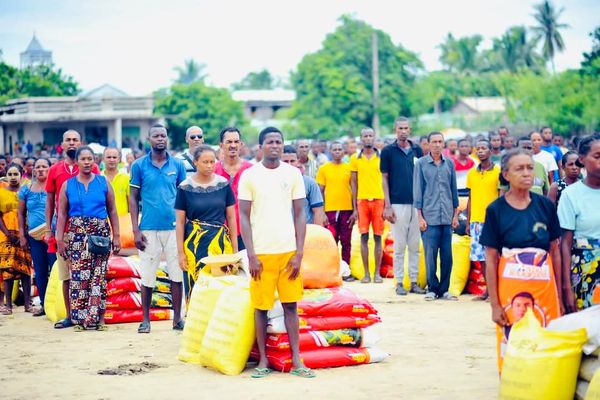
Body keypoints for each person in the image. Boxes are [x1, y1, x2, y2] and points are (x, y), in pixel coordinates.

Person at [238, 126, 315, 379]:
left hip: (288, 252)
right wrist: (251, 254)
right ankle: (262, 361)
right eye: (270, 141)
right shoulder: (250, 176)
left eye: (278, 141)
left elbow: (301, 213)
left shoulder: (292, 174)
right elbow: (244, 217)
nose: (275, 145)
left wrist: (299, 252)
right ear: (261, 146)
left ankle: (296, 360)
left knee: (291, 306)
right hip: (261, 254)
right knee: (261, 308)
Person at [480, 149, 563, 371]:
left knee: (545, 342)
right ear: (506, 174)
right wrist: (495, 305)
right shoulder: (496, 210)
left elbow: (555, 250)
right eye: (519, 169)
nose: (527, 173)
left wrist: (561, 295)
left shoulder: (545, 206)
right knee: (512, 342)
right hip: (510, 291)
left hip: (544, 290)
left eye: (530, 167)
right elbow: (491, 258)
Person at [55, 146, 120, 331]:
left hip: (100, 235)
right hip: (76, 236)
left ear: (95, 161)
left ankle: (98, 319)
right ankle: (80, 321)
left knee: (98, 276)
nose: (86, 162)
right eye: (83, 159)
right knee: (78, 277)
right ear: (76, 162)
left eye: (90, 159)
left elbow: (113, 211)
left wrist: (117, 236)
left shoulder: (103, 182)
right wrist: (60, 239)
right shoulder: (68, 185)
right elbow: (61, 215)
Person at [130, 124, 186, 333]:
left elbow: (183, 197)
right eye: (156, 136)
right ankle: (145, 320)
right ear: (149, 139)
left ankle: (177, 319)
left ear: (167, 138)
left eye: (163, 135)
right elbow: (133, 199)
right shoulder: (138, 165)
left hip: (174, 228)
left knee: (176, 273)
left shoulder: (178, 165)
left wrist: (185, 225)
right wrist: (135, 230)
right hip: (148, 228)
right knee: (147, 274)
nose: (160, 139)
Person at [45, 130, 100, 329]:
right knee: (67, 275)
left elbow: (101, 198)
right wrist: (50, 232)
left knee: (91, 273)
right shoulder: (54, 170)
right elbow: (50, 203)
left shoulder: (92, 168)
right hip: (63, 231)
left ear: (80, 142)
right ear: (62, 144)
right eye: (68, 140)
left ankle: (91, 316)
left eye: (75, 140)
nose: (71, 143)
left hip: (89, 232)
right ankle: (70, 316)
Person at [175, 145, 238, 298]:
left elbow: (231, 218)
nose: (210, 165)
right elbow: (180, 222)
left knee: (221, 288)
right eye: (205, 162)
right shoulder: (185, 187)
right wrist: (181, 253)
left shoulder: (223, 184)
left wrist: (235, 252)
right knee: (197, 288)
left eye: (212, 161)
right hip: (194, 246)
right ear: (195, 162)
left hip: (220, 244)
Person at [380, 117, 425, 295]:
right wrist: (387, 205)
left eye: (406, 128)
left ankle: (413, 282)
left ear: (410, 130)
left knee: (415, 245)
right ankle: (399, 282)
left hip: (417, 204)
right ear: (395, 129)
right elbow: (384, 178)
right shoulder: (388, 151)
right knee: (399, 246)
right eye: (400, 128)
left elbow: (423, 176)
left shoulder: (417, 150)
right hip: (397, 204)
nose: (403, 131)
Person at [414, 132, 459, 301]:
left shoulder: (449, 164)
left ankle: (444, 289)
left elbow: (453, 191)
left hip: (447, 216)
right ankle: (432, 288)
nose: (437, 145)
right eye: (434, 142)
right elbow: (417, 192)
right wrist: (420, 217)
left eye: (440, 142)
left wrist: (455, 216)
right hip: (429, 217)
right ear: (428, 144)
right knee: (430, 256)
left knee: (447, 255)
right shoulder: (421, 164)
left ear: (444, 144)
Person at [558, 134, 600, 311]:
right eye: (597, 156)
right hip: (584, 274)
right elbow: (565, 244)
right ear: (582, 159)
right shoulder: (570, 195)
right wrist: (567, 287)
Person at [17, 158, 55, 316]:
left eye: (44, 166)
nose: (40, 169)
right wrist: (21, 234)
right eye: (37, 167)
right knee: (39, 271)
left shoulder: (55, 187)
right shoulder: (26, 189)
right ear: (33, 170)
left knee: (54, 270)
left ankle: (57, 305)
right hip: (34, 236)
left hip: (52, 235)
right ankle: (45, 305)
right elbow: (20, 213)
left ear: (49, 169)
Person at [465, 139, 501, 301]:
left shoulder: (499, 172)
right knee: (481, 258)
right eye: (478, 148)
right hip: (476, 221)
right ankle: (488, 290)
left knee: (494, 256)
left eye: (483, 148)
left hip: (493, 221)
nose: (480, 151)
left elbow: (501, 197)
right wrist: (468, 222)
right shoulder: (472, 173)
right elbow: (471, 198)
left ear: (490, 151)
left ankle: (497, 291)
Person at [350, 128, 385, 284]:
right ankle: (366, 274)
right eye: (365, 136)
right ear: (361, 138)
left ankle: (377, 273)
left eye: (371, 135)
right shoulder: (354, 158)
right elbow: (353, 183)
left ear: (374, 137)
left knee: (378, 237)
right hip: (362, 201)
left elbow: (387, 180)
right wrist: (354, 208)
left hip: (379, 200)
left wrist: (388, 205)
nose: (368, 138)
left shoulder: (382, 157)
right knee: (364, 237)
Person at [316, 141, 354, 279]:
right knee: (331, 242)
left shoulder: (349, 168)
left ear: (344, 152)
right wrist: (322, 212)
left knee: (346, 241)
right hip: (330, 211)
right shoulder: (324, 169)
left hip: (346, 210)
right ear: (330, 152)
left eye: (340, 149)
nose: (337, 152)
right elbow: (320, 191)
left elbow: (355, 190)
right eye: (335, 149)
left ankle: (346, 271)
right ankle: (331, 271)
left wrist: (355, 211)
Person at [0, 164, 32, 315]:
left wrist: (23, 234)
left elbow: (29, 212)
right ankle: (8, 306)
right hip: (6, 236)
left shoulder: (26, 190)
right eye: (10, 174)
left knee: (25, 270)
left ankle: (27, 304)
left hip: (24, 235)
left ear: (21, 175)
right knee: (7, 270)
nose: (13, 177)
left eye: (15, 174)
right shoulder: (1, 192)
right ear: (6, 176)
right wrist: (7, 233)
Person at [214, 127, 253, 250]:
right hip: (219, 232)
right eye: (229, 142)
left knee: (246, 268)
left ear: (241, 144)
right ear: (221, 145)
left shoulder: (252, 170)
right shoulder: (212, 171)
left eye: (236, 142)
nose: (233, 145)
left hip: (246, 232)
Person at [282, 146, 327, 226]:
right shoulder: (273, 182)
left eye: (292, 161)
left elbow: (318, 211)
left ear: (298, 161)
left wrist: (316, 233)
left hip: (305, 231)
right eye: (285, 161)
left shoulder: (310, 183)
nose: (289, 164)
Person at [102, 147, 130, 216]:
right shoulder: (98, 178)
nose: (112, 160)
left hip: (123, 221)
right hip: (103, 221)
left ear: (119, 159)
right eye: (109, 157)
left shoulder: (126, 178)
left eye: (114, 157)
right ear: (103, 159)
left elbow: (130, 202)